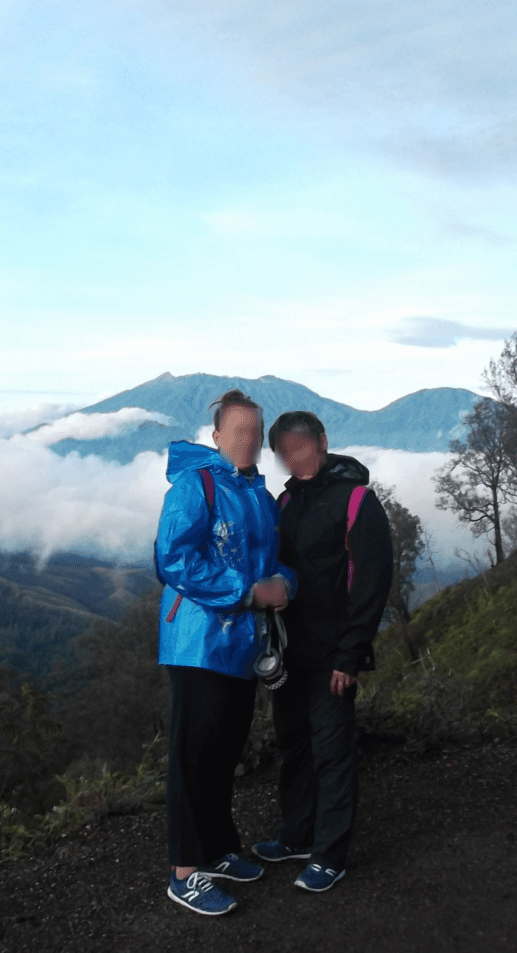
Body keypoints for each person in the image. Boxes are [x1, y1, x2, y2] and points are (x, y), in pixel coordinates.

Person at [155, 389, 296, 916]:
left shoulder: (257, 493)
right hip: (197, 643)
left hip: (240, 644)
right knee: (194, 757)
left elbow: (274, 565)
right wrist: (247, 591)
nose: (249, 441)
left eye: (256, 434)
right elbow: (173, 559)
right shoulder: (196, 485)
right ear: (215, 437)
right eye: (239, 432)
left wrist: (285, 584)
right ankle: (184, 872)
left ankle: (216, 850)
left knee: (222, 751)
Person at [252, 410, 392, 893]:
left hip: (333, 656)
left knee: (332, 753)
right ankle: (298, 835)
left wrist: (351, 655)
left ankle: (330, 854)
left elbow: (372, 582)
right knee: (294, 749)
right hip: (290, 653)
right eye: (285, 451)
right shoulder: (285, 501)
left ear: (323, 442)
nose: (294, 457)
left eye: (302, 446)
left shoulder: (357, 501)